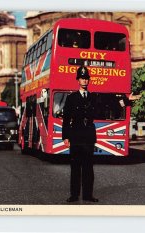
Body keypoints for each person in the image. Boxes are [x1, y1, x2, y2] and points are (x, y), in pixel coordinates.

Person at [62, 66, 98, 203]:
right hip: (76, 136)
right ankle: (74, 195)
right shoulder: (71, 98)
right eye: (82, 78)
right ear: (78, 80)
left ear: (89, 80)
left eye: (86, 78)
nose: (84, 81)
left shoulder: (93, 97)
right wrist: (65, 136)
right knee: (75, 168)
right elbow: (66, 118)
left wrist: (126, 100)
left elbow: (109, 104)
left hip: (88, 137)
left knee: (88, 168)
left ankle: (88, 195)